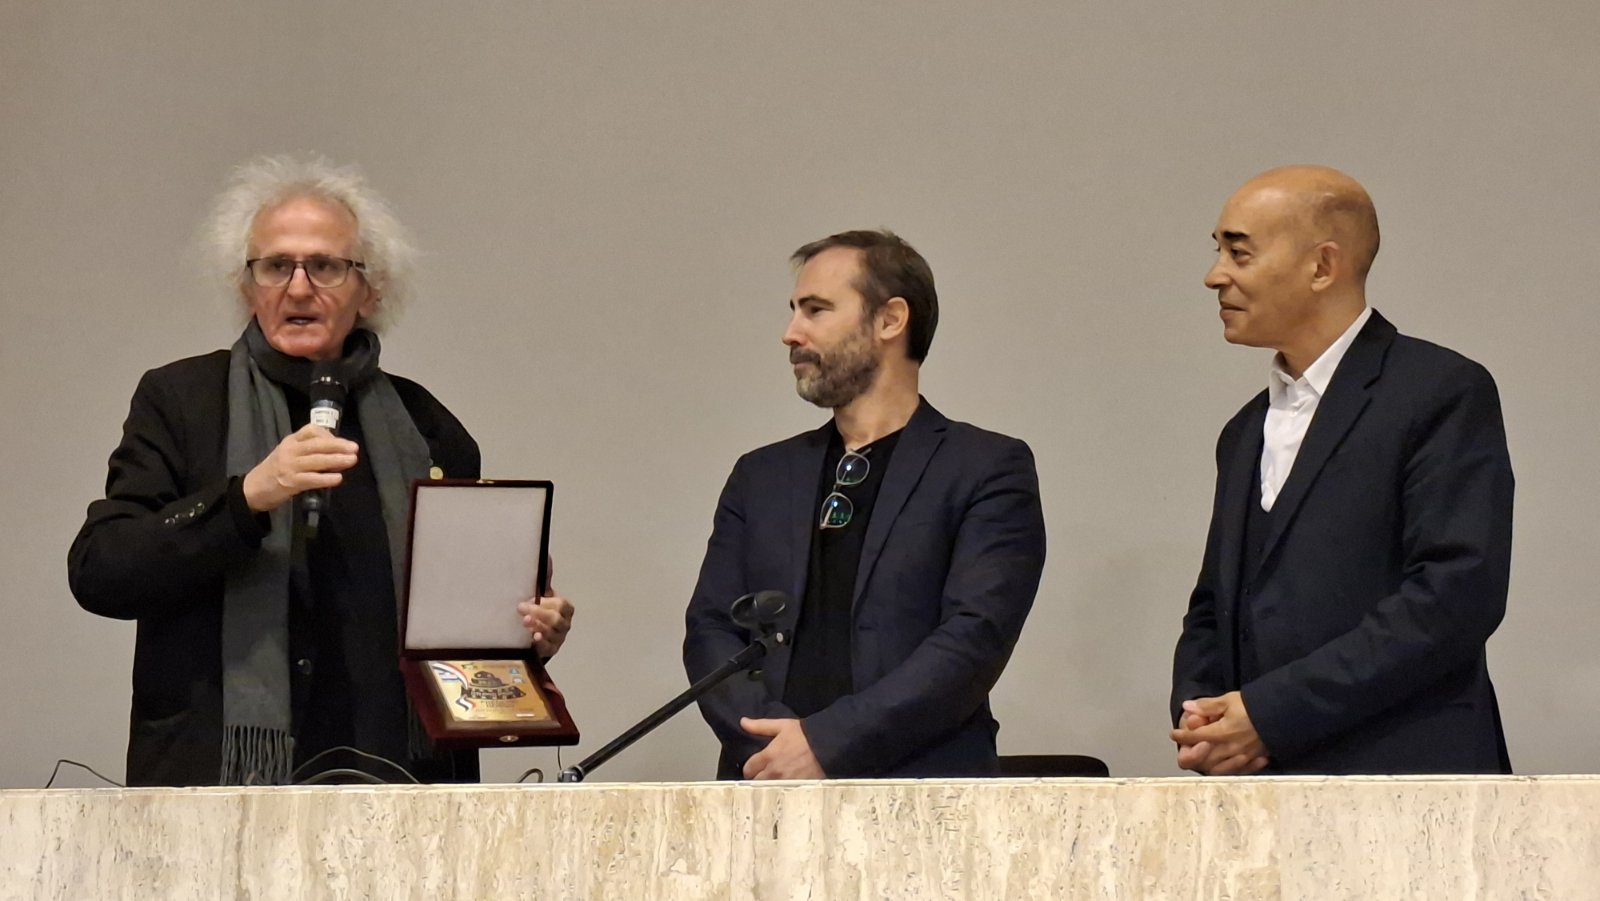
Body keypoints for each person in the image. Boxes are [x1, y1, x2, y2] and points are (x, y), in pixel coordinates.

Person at [68, 155, 575, 786]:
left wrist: (522, 632)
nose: (299, 288)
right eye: (275, 266)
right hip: (222, 783)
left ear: (371, 289)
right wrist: (246, 498)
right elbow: (101, 571)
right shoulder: (182, 402)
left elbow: (458, 634)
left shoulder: (429, 427)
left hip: (402, 780)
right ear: (246, 286)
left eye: (326, 267)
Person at [1169, 165, 1514, 775]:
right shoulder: (1244, 431)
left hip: (1409, 777)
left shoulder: (1440, 391)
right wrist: (1204, 717)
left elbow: (1455, 596)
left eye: (1239, 253)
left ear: (1322, 266)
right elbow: (1214, 605)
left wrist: (1270, 715)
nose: (1214, 275)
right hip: (1263, 784)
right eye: (1218, 251)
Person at [683, 229, 1046, 779]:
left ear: (890, 320)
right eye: (793, 311)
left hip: (923, 796)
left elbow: (973, 640)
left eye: (816, 310)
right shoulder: (761, 476)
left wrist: (825, 744)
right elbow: (712, 628)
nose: (791, 333)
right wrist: (772, 743)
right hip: (765, 787)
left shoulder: (986, 468)